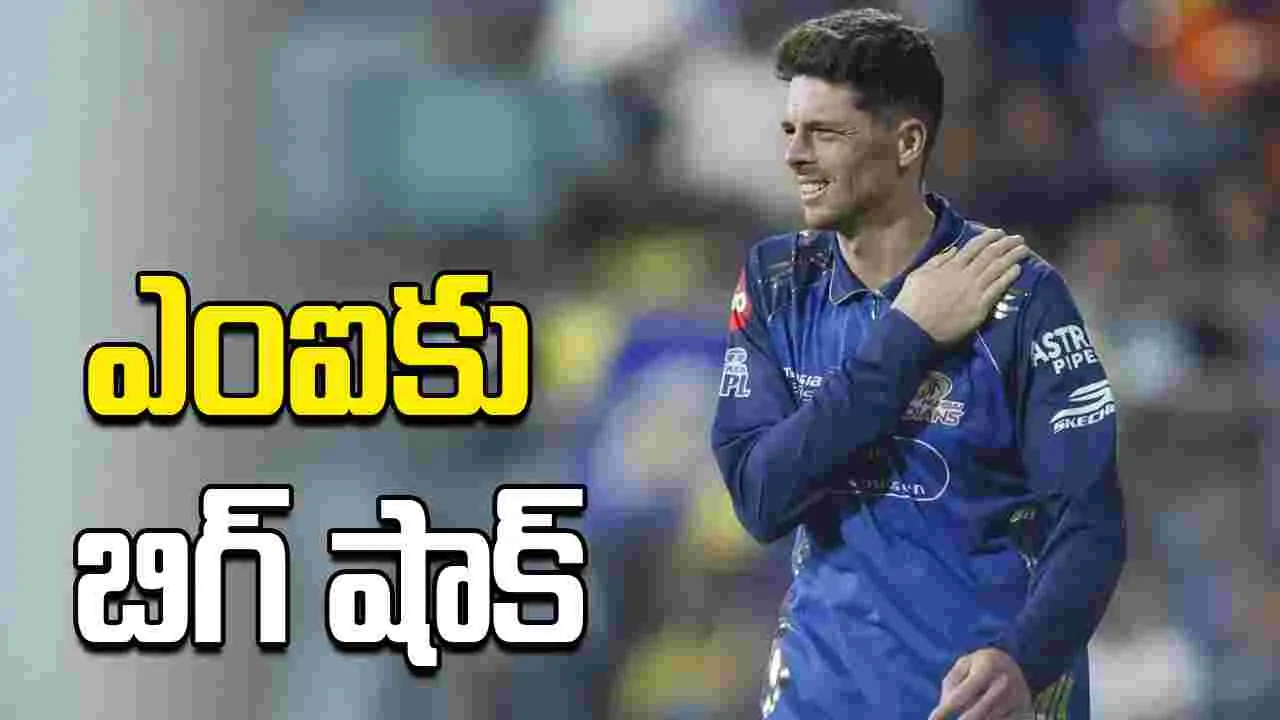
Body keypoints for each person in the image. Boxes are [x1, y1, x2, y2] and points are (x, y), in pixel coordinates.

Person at [709, 8, 1126, 719]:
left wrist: (1024, 661)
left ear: (907, 142)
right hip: (818, 700)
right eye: (790, 130)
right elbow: (760, 497)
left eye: (825, 133)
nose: (795, 156)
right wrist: (906, 338)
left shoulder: (1020, 297)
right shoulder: (779, 282)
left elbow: (1090, 528)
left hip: (979, 701)